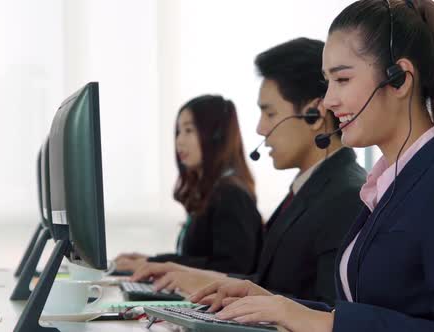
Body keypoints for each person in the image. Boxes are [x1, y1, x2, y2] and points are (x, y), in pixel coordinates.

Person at [188, 1, 434, 331]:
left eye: (342, 79)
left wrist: (318, 322)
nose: (328, 101)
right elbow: (368, 310)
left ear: (399, 80)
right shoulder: (390, 181)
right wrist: (278, 304)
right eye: (327, 82)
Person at [131, 38, 366, 305]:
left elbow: (331, 314)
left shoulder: (346, 196)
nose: (260, 129)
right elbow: (268, 286)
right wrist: (192, 275)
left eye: (269, 113)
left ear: (314, 114)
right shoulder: (308, 190)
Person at [115, 95, 263, 275]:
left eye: (188, 130)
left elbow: (232, 269)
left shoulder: (231, 195)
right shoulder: (213, 192)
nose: (179, 141)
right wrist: (150, 262)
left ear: (216, 135)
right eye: (178, 131)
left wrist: (158, 264)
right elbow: (201, 260)